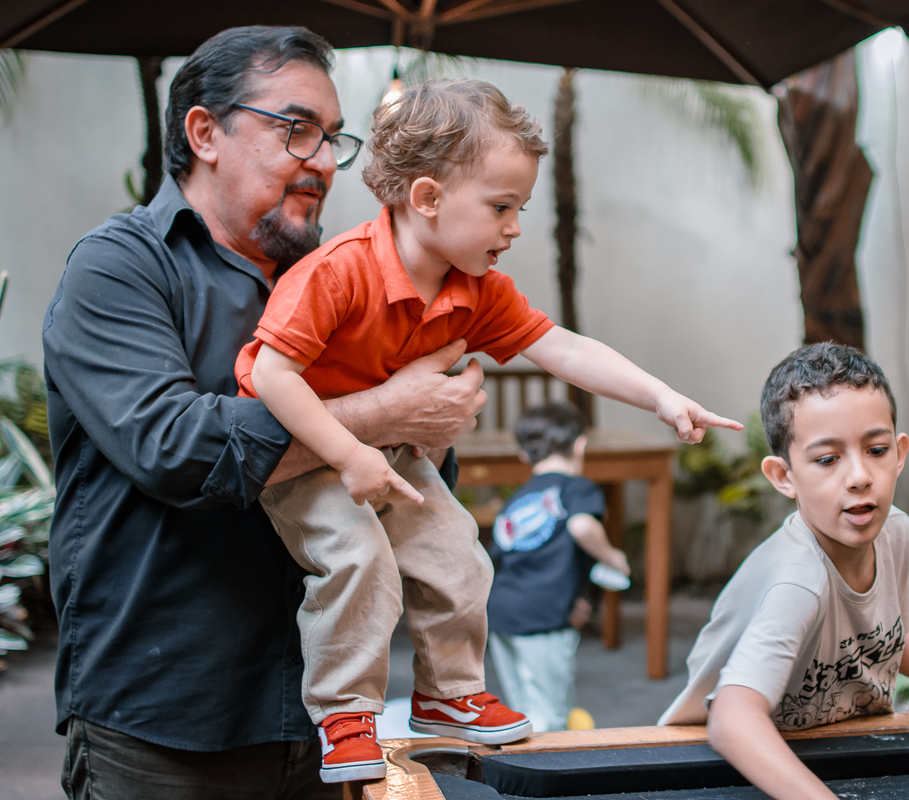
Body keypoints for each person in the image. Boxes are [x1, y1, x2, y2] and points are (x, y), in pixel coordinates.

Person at [235, 78, 741, 782]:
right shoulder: (339, 271)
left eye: (520, 208)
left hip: (386, 452)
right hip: (310, 450)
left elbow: (562, 347)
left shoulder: (472, 287)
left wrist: (661, 395)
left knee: (459, 554)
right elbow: (271, 375)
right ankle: (345, 713)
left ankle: (447, 695)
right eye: (502, 207)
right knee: (359, 558)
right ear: (427, 198)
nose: (515, 227)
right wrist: (348, 453)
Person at [42, 27, 489, 799]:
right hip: (166, 721)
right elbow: (179, 449)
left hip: (325, 723)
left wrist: (430, 423)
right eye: (296, 129)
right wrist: (385, 411)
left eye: (332, 137)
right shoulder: (118, 267)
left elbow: (408, 477)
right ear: (204, 132)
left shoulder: (341, 279)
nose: (323, 161)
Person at [658, 342, 909, 800]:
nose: (859, 476)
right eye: (827, 459)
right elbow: (732, 722)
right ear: (784, 476)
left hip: (836, 751)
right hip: (730, 772)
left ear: (899, 452)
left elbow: (885, 637)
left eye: (876, 449)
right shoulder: (798, 584)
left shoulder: (894, 532)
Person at [485, 402, 629, 733]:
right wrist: (612, 556)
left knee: (521, 708)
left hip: (501, 610)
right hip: (543, 615)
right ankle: (551, 759)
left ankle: (522, 755)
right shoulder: (577, 487)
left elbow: (506, 554)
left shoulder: (516, 499)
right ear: (580, 446)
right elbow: (581, 526)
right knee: (550, 715)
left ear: (523, 454)